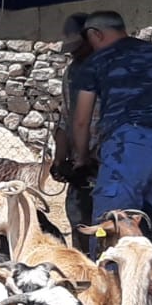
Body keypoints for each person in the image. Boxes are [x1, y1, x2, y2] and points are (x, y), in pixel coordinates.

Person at [71, 11, 152, 253]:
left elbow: (80, 120)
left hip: (125, 147)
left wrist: (81, 158)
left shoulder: (97, 62)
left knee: (111, 228)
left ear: (95, 34)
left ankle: (109, 274)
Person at [51, 13, 99, 251]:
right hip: (80, 169)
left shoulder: (108, 70)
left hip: (104, 165)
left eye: (78, 47)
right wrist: (59, 159)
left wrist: (87, 158)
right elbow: (66, 118)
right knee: (79, 222)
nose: (74, 53)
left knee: (103, 229)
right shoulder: (71, 73)